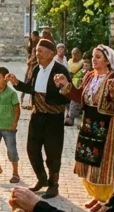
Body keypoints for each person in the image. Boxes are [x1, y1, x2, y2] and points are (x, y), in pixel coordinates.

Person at [55, 45, 114, 210]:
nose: (94, 60)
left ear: (107, 61)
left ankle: (104, 200)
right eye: (93, 56)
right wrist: (65, 84)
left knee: (102, 163)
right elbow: (80, 96)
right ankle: (96, 195)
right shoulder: (89, 76)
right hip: (88, 124)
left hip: (105, 125)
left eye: (98, 57)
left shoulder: (113, 78)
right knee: (87, 159)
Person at [8, 38, 70, 198]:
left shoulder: (60, 70)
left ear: (51, 54)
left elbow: (68, 96)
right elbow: (30, 88)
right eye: (36, 51)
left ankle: (53, 185)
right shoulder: (37, 69)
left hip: (53, 118)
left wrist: (62, 88)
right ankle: (41, 178)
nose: (37, 55)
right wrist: (16, 83)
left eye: (41, 52)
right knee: (32, 149)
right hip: (37, 116)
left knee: (53, 153)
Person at [0, 66, 21, 183]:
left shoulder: (12, 94)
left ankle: (15, 174)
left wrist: (15, 123)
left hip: (9, 127)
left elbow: (17, 110)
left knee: (11, 151)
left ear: (6, 79)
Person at [65, 47, 85, 126]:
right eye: (73, 53)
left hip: (78, 84)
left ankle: (71, 118)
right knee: (65, 96)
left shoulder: (83, 62)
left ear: (80, 54)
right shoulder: (69, 61)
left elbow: (83, 72)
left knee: (74, 99)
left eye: (76, 53)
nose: (74, 55)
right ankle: (69, 115)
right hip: (69, 82)